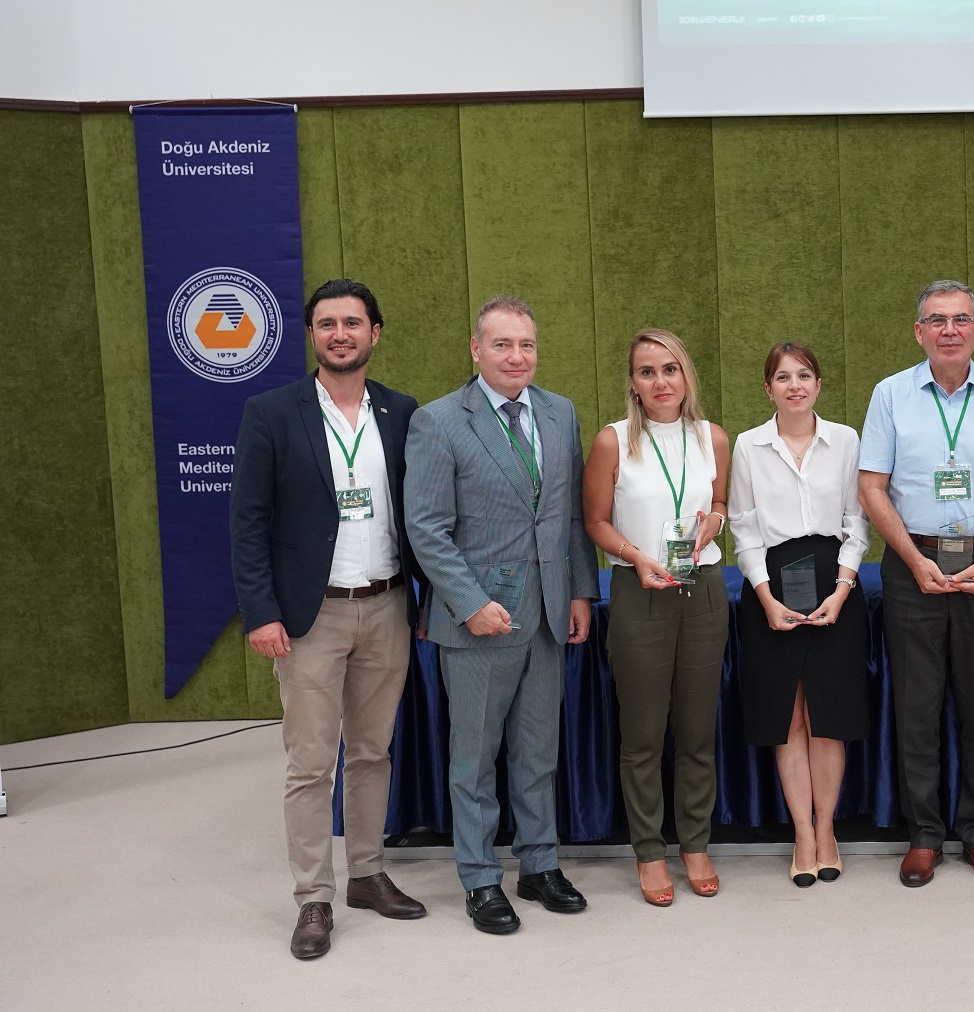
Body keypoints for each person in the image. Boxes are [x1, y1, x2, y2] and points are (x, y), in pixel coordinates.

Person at [230, 278, 426, 959]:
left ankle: (366, 874)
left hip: (388, 606)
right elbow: (248, 521)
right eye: (327, 323)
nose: (340, 334)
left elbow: (421, 513)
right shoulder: (271, 413)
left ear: (376, 332)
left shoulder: (402, 412)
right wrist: (261, 612)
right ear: (312, 334)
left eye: (352, 322)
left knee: (372, 752)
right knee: (311, 764)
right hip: (309, 617)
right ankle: (313, 896)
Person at [405, 294, 598, 934]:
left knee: (538, 753)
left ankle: (539, 864)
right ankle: (480, 878)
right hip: (479, 620)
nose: (517, 357)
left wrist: (578, 592)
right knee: (475, 759)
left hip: (546, 614)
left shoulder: (559, 412)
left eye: (527, 345)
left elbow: (569, 515)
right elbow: (426, 528)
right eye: (502, 344)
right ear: (476, 349)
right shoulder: (439, 422)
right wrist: (470, 604)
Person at [859, 279, 974, 887]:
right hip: (913, 566)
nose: (949, 330)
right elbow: (872, 487)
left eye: (961, 319)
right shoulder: (890, 394)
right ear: (919, 332)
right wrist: (915, 561)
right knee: (916, 707)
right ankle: (924, 834)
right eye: (937, 320)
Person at [583, 328, 730, 906]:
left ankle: (695, 844)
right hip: (639, 589)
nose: (661, 381)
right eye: (648, 371)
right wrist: (637, 556)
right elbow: (595, 521)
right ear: (634, 382)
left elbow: (720, 503)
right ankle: (648, 850)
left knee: (697, 732)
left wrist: (715, 522)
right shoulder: (613, 441)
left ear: (686, 375)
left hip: (703, 591)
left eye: (670, 369)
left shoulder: (712, 437)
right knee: (642, 735)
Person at [727, 342, 871, 887]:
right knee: (789, 717)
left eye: (804, 375)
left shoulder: (845, 440)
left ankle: (827, 830)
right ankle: (803, 834)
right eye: (783, 378)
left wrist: (842, 588)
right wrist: (766, 599)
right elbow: (743, 527)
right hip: (772, 584)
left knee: (827, 718)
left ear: (818, 384)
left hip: (836, 584)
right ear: (768, 389)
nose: (795, 386)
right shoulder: (749, 445)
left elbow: (858, 521)